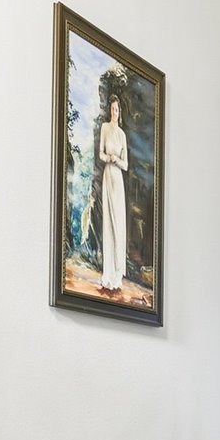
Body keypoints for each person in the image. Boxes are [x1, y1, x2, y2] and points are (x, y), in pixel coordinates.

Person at [97, 94, 129, 294]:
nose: (114, 113)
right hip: (108, 175)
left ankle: (117, 275)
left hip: (118, 177)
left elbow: (125, 164)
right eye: (112, 109)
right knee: (108, 223)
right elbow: (100, 153)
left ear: (120, 112)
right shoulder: (105, 128)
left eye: (117, 110)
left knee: (119, 224)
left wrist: (116, 159)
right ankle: (107, 275)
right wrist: (107, 158)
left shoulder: (122, 135)